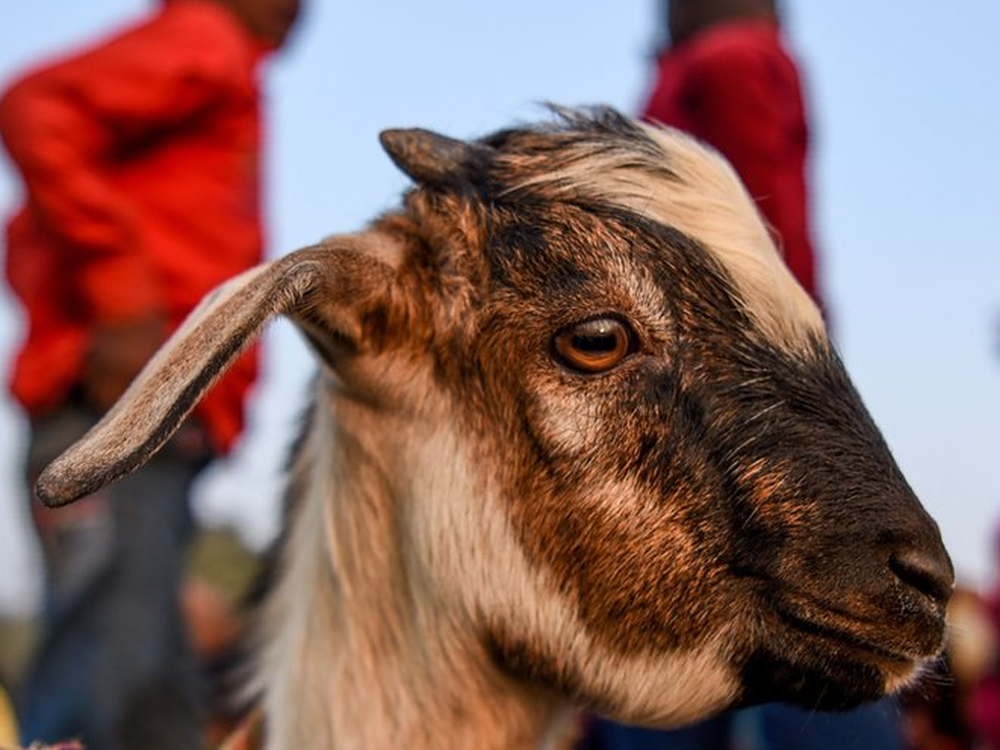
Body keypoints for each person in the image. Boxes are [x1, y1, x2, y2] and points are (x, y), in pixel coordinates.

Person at [582, 2, 903, 748]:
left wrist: (771, 388)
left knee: (801, 621)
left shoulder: (731, 61)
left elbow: (759, 244)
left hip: (732, 394)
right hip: (723, 388)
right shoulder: (707, 66)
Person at [0, 0, 300, 747]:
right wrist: (122, 295)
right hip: (116, 413)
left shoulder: (226, 66)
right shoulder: (205, 38)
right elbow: (39, 107)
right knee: (109, 680)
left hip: (161, 426)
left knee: (156, 690)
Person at [642, 0, 822, 309]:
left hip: (731, 302)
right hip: (704, 294)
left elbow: (760, 200)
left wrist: (780, 311)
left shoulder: (731, 59)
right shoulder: (701, 60)